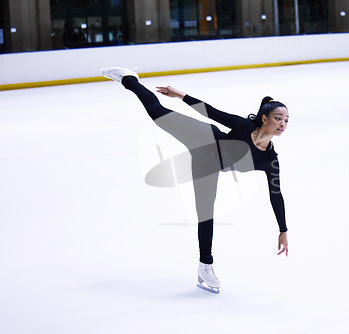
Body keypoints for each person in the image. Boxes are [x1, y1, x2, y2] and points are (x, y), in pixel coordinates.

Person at [101, 67, 289, 293]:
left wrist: (283, 230)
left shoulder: (269, 159)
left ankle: (205, 266)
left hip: (207, 166)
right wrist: (180, 95)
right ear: (264, 118)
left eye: (287, 120)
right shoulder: (243, 126)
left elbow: (275, 194)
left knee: (205, 213)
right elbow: (210, 112)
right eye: (278, 118)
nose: (283, 124)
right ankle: (128, 78)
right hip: (204, 137)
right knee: (157, 113)